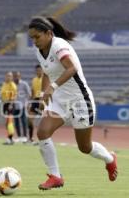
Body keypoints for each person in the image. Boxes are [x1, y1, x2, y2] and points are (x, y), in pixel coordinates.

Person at [28, 16, 117, 190]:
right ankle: (55, 176)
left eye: (37, 37)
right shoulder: (39, 51)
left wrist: (52, 87)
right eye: (32, 38)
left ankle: (110, 159)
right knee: (43, 132)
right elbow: (46, 72)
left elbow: (72, 68)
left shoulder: (59, 45)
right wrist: (41, 94)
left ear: (48, 33)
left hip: (80, 101)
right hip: (59, 101)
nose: (34, 41)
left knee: (85, 147)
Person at [27, 64, 43, 144]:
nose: (38, 72)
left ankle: (44, 139)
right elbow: (33, 92)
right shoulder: (34, 79)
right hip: (35, 100)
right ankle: (31, 138)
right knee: (29, 119)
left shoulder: (45, 79)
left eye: (40, 70)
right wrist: (30, 102)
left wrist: (42, 102)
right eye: (37, 70)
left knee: (44, 121)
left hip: (43, 101)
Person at [12, 71, 30, 143]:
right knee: (16, 122)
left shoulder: (24, 84)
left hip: (22, 105)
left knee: (23, 121)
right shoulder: (12, 84)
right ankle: (19, 136)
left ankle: (25, 137)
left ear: (20, 76)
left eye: (17, 76)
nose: (16, 77)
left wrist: (28, 103)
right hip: (14, 105)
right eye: (15, 76)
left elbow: (29, 94)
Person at [0, 71, 17, 145]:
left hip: (10, 104)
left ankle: (10, 138)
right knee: (7, 122)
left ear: (12, 77)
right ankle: (10, 138)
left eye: (10, 76)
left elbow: (13, 96)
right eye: (7, 76)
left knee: (9, 122)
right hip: (5, 104)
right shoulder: (4, 84)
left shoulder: (12, 85)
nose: (8, 77)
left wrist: (10, 104)